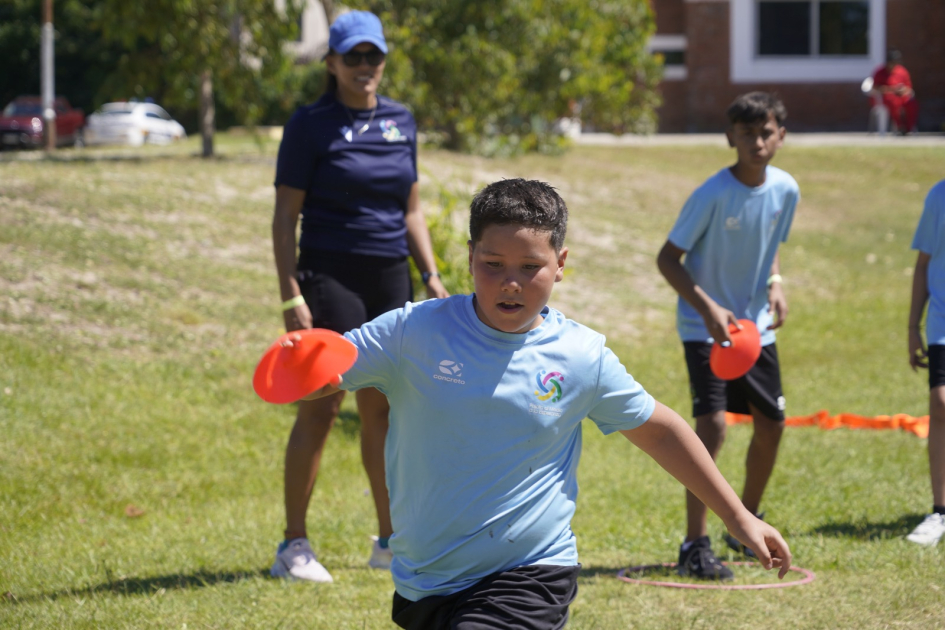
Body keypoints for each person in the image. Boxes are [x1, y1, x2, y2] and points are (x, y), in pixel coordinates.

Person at [276, 179, 793, 628]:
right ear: (470, 257)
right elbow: (330, 371)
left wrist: (738, 516)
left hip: (529, 573)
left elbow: (659, 430)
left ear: (561, 264)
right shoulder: (415, 329)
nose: (511, 283)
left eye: (531, 266)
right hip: (425, 580)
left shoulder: (580, 356)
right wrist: (299, 372)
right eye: (493, 264)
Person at [269, 10, 449, 583]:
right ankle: (293, 546)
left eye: (374, 56)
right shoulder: (310, 123)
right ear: (332, 63)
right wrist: (289, 295)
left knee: (385, 409)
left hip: (389, 277)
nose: (365, 67)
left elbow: (411, 210)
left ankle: (391, 541)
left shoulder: (401, 120)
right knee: (323, 404)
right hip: (329, 275)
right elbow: (284, 217)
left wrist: (431, 274)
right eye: (353, 57)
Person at [656, 92, 800, 580]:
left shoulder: (786, 189)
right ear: (730, 138)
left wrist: (775, 283)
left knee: (772, 424)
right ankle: (695, 544)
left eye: (766, 133)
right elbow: (667, 259)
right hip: (705, 327)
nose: (757, 143)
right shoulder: (713, 194)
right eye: (746, 135)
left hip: (755, 329)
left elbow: (771, 244)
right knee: (712, 426)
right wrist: (709, 308)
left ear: (781, 135)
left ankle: (749, 524)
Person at [906, 178, 945, 547]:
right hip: (942, 323)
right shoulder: (939, 194)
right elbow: (923, 263)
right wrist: (912, 325)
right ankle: (940, 510)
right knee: (940, 402)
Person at [871, 49, 918, 134]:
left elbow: (909, 88)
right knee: (892, 101)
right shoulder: (880, 72)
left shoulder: (902, 71)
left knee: (911, 103)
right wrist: (891, 89)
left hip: (901, 96)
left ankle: (909, 128)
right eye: (891, 63)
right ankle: (899, 126)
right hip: (886, 98)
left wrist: (903, 90)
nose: (892, 66)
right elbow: (875, 88)